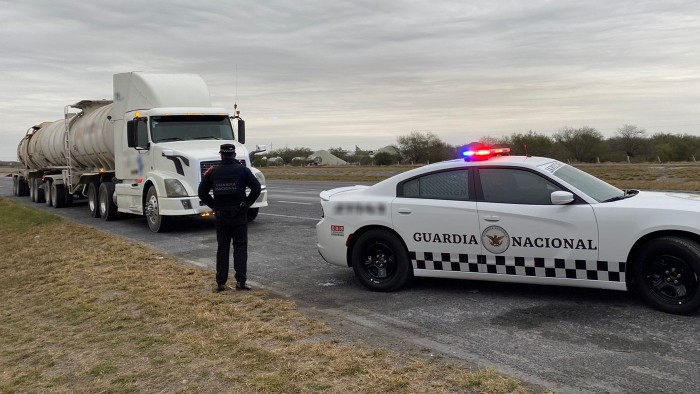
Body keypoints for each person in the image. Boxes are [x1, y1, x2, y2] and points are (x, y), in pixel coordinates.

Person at [198, 143, 261, 292]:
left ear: (221, 155)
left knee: (223, 249)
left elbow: (202, 192)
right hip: (239, 215)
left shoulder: (213, 172)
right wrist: (247, 203)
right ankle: (241, 282)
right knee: (240, 248)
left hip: (221, 216)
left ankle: (221, 283)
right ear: (234, 155)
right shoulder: (243, 170)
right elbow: (256, 188)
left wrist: (214, 205)